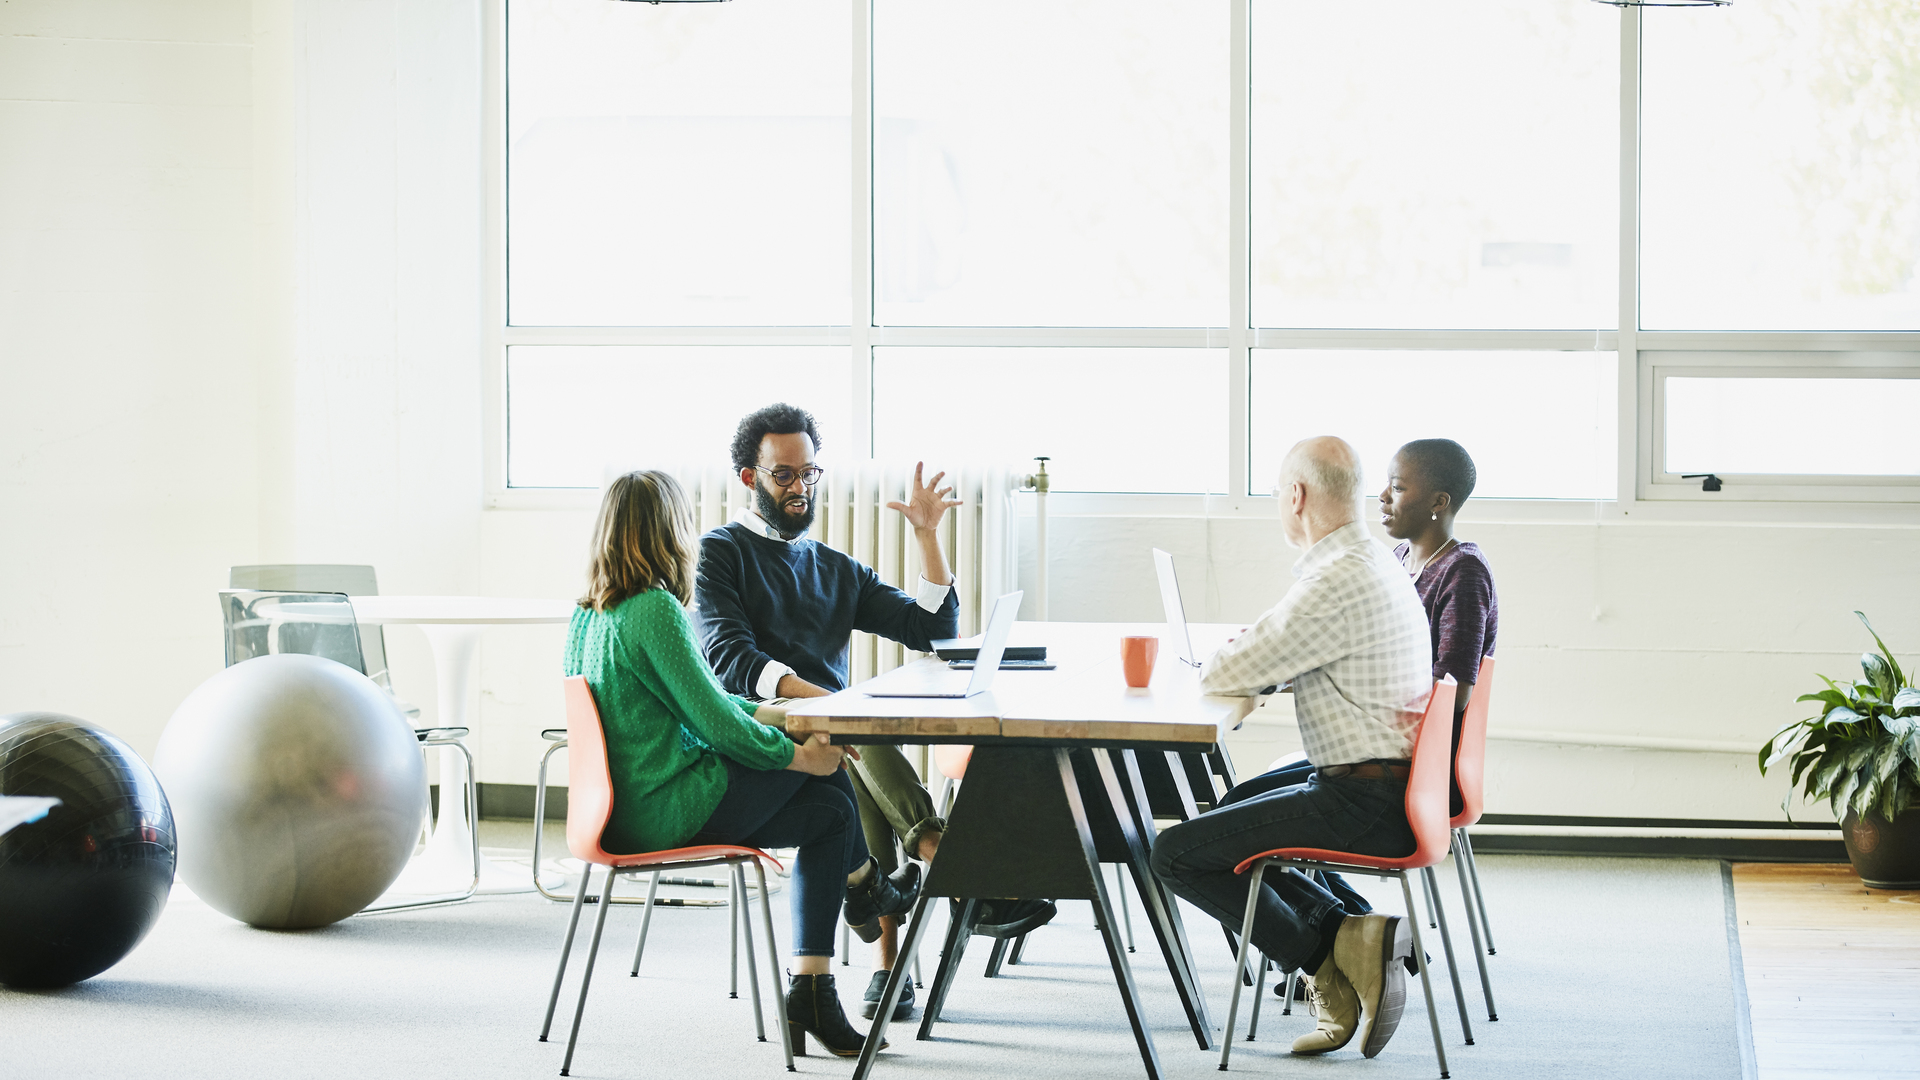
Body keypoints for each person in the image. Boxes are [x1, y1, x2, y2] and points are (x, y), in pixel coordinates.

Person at [693, 403, 1055, 1021]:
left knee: (850, 745)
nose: (800, 487)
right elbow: (729, 660)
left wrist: (926, 537)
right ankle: (942, 861)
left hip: (835, 739)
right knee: (852, 729)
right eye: (784, 475)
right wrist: (834, 705)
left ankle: (895, 960)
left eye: (809, 473)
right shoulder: (721, 552)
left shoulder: (832, 566)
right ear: (750, 478)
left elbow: (932, 628)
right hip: (759, 730)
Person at [562, 469, 918, 1058]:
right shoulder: (653, 608)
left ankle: (827, 960)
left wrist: (773, 714)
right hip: (663, 807)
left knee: (830, 807)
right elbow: (716, 727)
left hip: (617, 809)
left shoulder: (590, 613)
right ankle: (856, 906)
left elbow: (706, 698)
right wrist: (799, 756)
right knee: (827, 787)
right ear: (670, 530)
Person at [1149, 437, 1433, 1061]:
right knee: (1231, 813)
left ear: (1297, 496)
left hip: (1365, 797)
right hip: (1392, 780)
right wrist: (1263, 654)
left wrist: (1248, 655)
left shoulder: (1335, 580)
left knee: (1175, 853)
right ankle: (1352, 933)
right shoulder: (1367, 561)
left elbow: (1224, 674)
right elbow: (1275, 651)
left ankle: (1324, 959)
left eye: (1280, 493)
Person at [1379, 438, 1498, 817]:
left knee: (1251, 805)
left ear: (1438, 502)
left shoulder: (1462, 571)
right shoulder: (1399, 560)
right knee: (1253, 797)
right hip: (1389, 748)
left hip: (1421, 766)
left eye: (1397, 488)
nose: (1382, 496)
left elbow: (1454, 694)